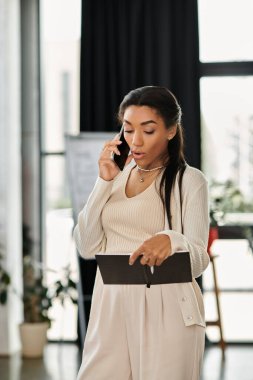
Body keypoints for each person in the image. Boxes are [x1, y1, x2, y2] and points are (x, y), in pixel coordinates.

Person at [74, 86, 210, 380]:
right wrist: (103, 183)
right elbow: (86, 247)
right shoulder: (114, 177)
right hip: (110, 305)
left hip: (169, 307)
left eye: (148, 131)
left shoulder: (190, 181)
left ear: (171, 130)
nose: (135, 141)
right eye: (128, 129)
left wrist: (172, 239)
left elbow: (199, 260)